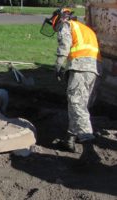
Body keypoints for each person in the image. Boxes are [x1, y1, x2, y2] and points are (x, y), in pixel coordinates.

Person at [43, 8, 101, 152]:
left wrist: (58, 65)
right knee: (80, 105)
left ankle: (88, 147)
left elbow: (64, 45)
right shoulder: (85, 29)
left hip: (80, 67)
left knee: (77, 105)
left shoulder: (66, 25)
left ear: (58, 18)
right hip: (94, 69)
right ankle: (70, 139)